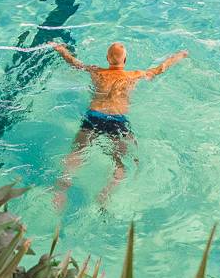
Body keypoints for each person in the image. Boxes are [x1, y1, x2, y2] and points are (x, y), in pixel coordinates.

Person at [49, 41, 187, 209]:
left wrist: (61, 49)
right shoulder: (133, 75)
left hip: (94, 116)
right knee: (121, 163)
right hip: (117, 120)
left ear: (107, 58)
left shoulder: (96, 72)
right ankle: (105, 194)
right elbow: (159, 70)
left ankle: (61, 190)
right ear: (125, 59)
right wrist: (178, 56)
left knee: (77, 154)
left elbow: (74, 63)